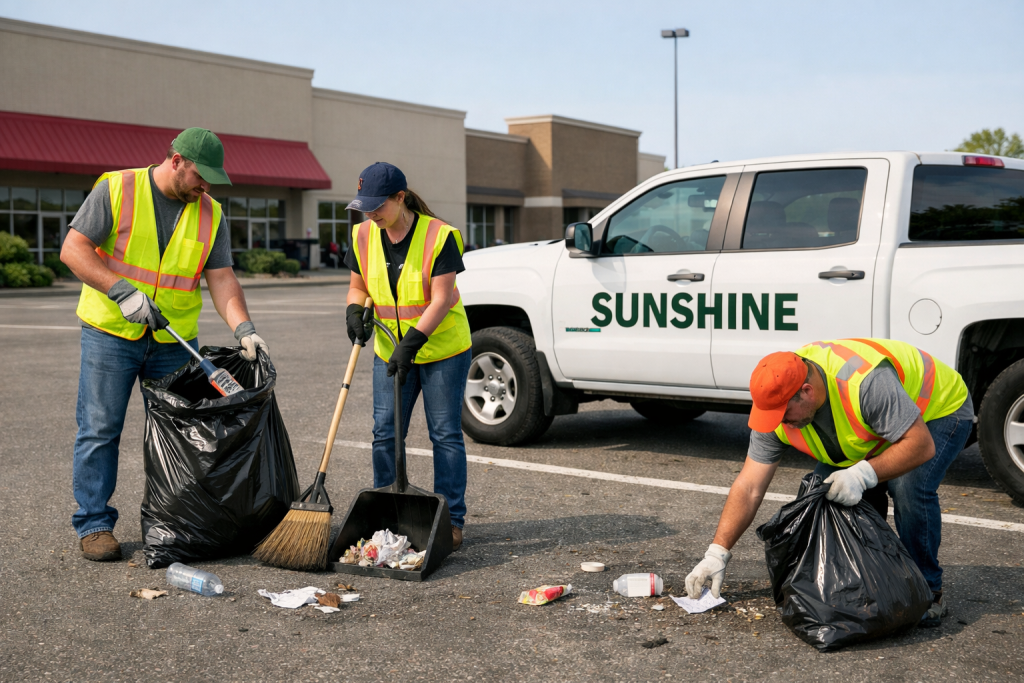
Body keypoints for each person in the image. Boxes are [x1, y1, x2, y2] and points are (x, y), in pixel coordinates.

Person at [60, 128, 269, 562]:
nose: (205, 187)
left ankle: (180, 524)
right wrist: (121, 291)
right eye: (200, 176)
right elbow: (74, 250)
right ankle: (95, 523)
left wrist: (243, 327)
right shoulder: (116, 188)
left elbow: (222, 277)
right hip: (111, 334)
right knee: (100, 430)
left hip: (173, 341)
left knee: (184, 435)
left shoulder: (211, 213)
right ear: (176, 160)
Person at [685, 338, 973, 628]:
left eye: (784, 416)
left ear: (807, 393)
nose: (779, 424)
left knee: (907, 487)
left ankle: (928, 591)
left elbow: (920, 446)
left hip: (938, 410)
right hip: (877, 427)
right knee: (827, 495)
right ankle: (876, 580)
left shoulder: (864, 383)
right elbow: (749, 487)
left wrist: (861, 475)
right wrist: (717, 553)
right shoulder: (775, 402)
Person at [343, 162, 472, 551]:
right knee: (385, 432)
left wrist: (412, 342)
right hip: (389, 350)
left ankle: (451, 521)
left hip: (442, 351)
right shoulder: (363, 235)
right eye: (364, 205)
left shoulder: (441, 236)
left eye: (377, 205)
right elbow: (357, 286)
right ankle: (388, 513)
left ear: (401, 198)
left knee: (445, 435)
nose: (370, 213)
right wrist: (353, 310)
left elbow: (442, 298)